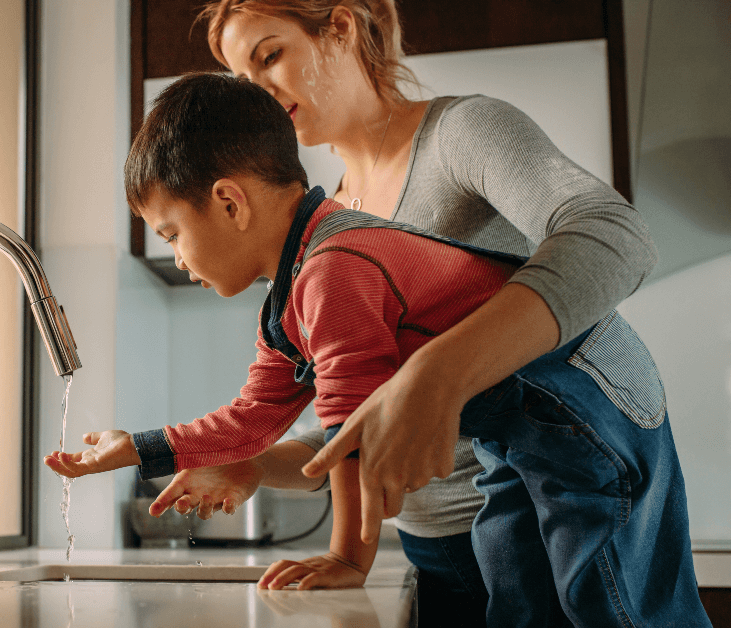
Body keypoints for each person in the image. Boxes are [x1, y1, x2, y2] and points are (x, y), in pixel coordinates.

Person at [44, 72, 709, 628]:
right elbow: (254, 417)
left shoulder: (334, 268)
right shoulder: (294, 288)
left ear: (228, 202)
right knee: (519, 597)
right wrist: (138, 447)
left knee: (612, 604)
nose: (177, 257)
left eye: (171, 231)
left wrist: (347, 558)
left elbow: (351, 434)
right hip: (516, 433)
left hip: (584, 408)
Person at [154, 0, 669, 623]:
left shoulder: (463, 134)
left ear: (340, 28)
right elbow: (370, 418)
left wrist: (439, 372)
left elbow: (616, 235)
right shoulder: (324, 219)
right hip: (437, 552)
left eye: (270, 56)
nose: (259, 93)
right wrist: (256, 464)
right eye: (244, 80)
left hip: (545, 514)